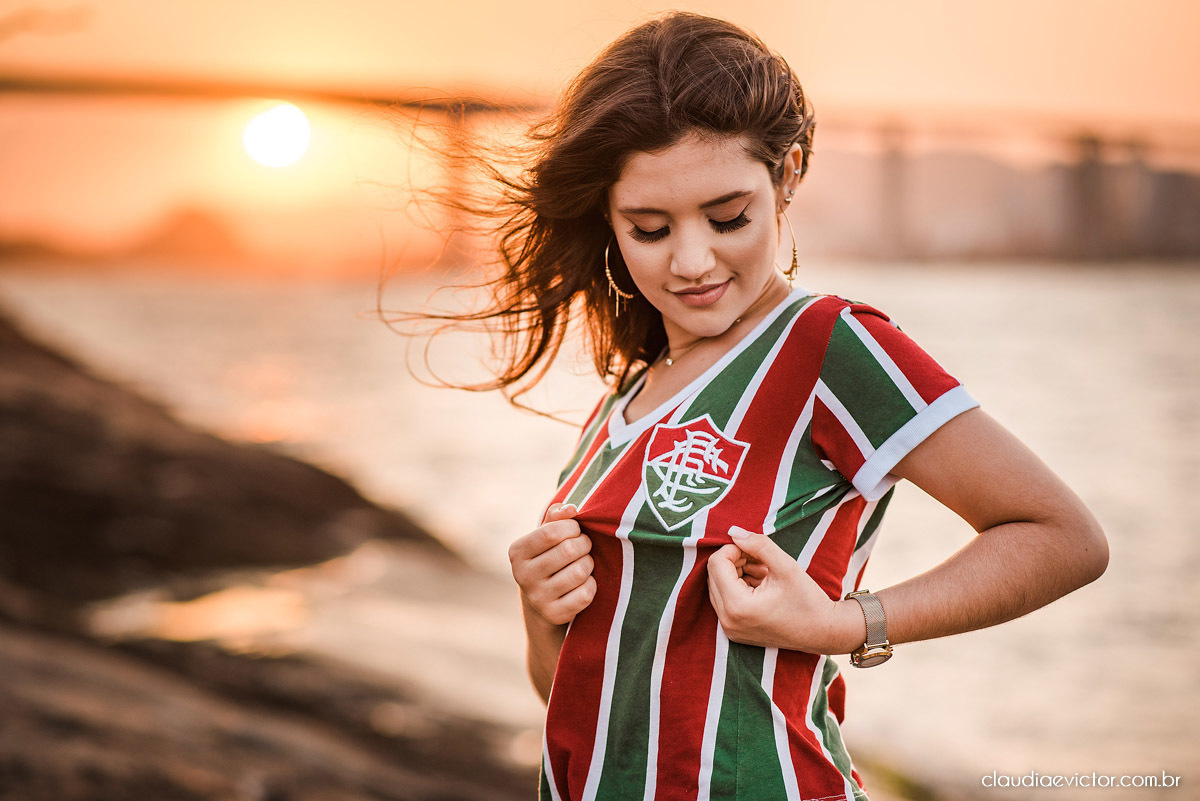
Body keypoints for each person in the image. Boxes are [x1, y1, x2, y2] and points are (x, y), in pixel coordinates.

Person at [406, 11, 1109, 801]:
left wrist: (845, 624)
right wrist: (541, 614)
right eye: (649, 227)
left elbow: (1064, 537)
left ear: (790, 175)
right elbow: (581, 700)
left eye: (729, 216)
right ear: (608, 218)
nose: (692, 260)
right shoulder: (626, 399)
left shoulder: (828, 346)